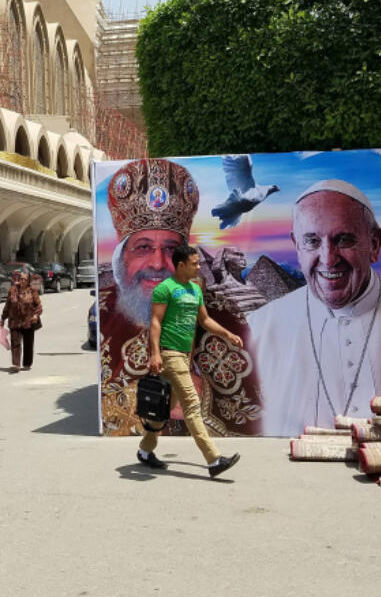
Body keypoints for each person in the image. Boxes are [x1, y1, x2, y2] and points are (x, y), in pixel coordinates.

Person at [97, 158, 260, 436]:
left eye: (171, 248)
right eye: (143, 247)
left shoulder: (227, 314)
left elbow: (255, 407)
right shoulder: (103, 312)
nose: (159, 263)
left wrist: (203, 394)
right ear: (122, 257)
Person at [246, 180, 381, 433]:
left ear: (374, 245)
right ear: (297, 246)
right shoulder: (258, 329)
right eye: (312, 241)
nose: (328, 259)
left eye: (343, 240)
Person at [137, 244, 241, 479]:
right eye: (194, 263)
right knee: (192, 406)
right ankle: (214, 460)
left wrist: (228, 334)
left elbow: (204, 320)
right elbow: (155, 322)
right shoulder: (165, 289)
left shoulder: (195, 290)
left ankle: (145, 450)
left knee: (162, 410)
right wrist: (155, 353)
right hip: (170, 354)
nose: (198, 267)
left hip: (185, 355)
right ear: (181, 265)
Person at [0, 272, 42, 372]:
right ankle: (16, 364)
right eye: (21, 279)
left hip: (28, 321)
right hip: (15, 321)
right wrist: (3, 318)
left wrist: (36, 315)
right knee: (15, 343)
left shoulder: (32, 291)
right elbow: (7, 305)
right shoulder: (13, 290)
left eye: (24, 279)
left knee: (28, 343)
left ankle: (27, 363)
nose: (22, 281)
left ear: (28, 281)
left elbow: (39, 305)